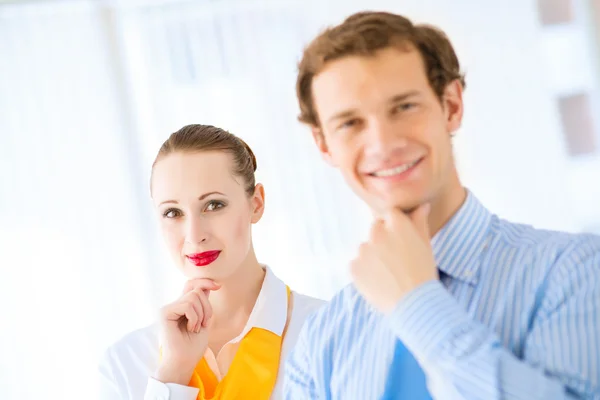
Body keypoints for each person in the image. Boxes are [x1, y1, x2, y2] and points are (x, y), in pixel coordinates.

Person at [284, 11, 600, 399]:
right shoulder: (320, 342)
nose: (383, 144)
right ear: (324, 145)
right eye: (350, 123)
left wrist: (417, 306)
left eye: (403, 107)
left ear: (450, 106)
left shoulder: (576, 272)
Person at [98, 124, 324, 399]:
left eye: (214, 205)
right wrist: (174, 373)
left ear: (256, 204)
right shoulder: (124, 364)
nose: (194, 235)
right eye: (173, 212)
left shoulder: (329, 331)